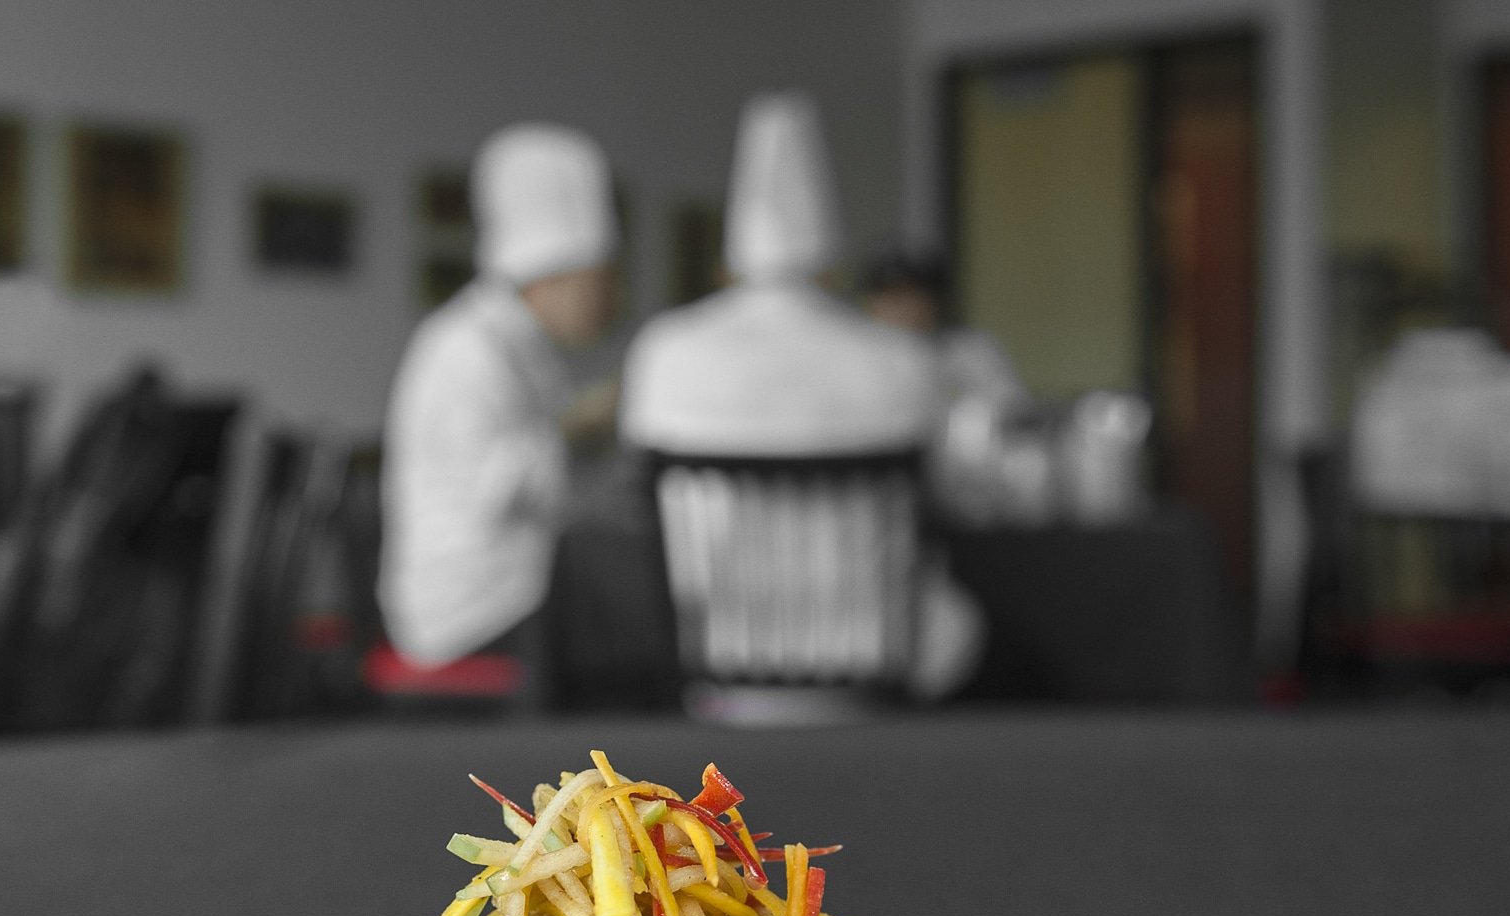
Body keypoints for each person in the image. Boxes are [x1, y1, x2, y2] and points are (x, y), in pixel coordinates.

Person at [620, 93, 981, 699]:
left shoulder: (667, 350)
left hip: (718, 652)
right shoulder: (899, 358)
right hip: (875, 655)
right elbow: (956, 496)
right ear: (832, 268)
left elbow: (633, 489)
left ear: (728, 263)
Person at [378, 124, 617, 668]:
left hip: (521, 588)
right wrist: (579, 426)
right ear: (548, 280)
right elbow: (499, 489)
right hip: (468, 607)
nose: (611, 299)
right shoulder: (467, 347)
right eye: (600, 280)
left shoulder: (524, 346)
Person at [859, 244, 1029, 414]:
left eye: (911, 295)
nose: (899, 307)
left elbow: (1012, 409)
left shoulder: (971, 349)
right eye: (890, 297)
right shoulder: (854, 356)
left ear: (937, 301)